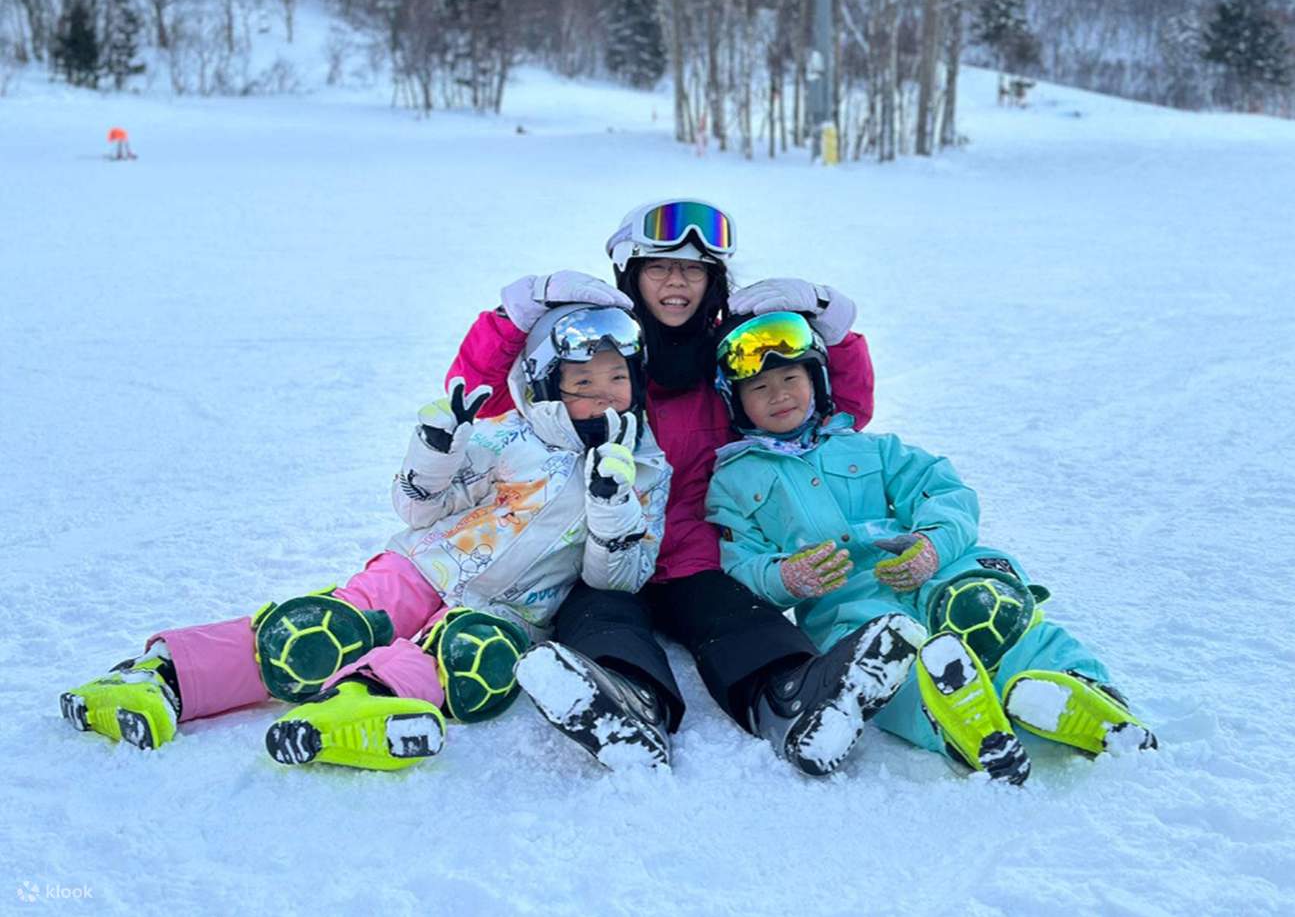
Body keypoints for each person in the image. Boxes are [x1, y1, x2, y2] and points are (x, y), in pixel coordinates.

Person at [60, 305, 670, 771]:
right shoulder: (508, 437)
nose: (602, 394)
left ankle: (361, 706)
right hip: (422, 568)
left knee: (471, 656)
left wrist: (612, 507)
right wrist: (435, 451)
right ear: (544, 383)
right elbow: (415, 507)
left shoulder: (645, 468)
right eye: (581, 381)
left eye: (616, 378)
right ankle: (159, 680)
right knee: (328, 632)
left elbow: (618, 580)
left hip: (510, 608)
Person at [446, 199, 912, 776]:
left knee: (738, 619)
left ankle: (796, 700)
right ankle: (626, 707)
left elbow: (835, 412)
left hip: (697, 552)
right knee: (602, 623)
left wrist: (832, 329)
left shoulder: (736, 353)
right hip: (596, 548)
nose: (676, 283)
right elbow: (482, 412)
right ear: (631, 276)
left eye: (693, 270)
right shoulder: (596, 350)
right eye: (659, 268)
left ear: (713, 280)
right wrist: (511, 319)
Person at [704, 311, 1159, 783]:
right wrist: (784, 577)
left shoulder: (872, 448)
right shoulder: (734, 482)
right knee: (884, 661)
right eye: (758, 388)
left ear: (817, 379)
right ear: (735, 403)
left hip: (931, 570)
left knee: (985, 606)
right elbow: (740, 565)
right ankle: (961, 724)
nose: (778, 394)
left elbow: (945, 492)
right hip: (847, 602)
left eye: (790, 377)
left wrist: (932, 545)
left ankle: (1081, 691)